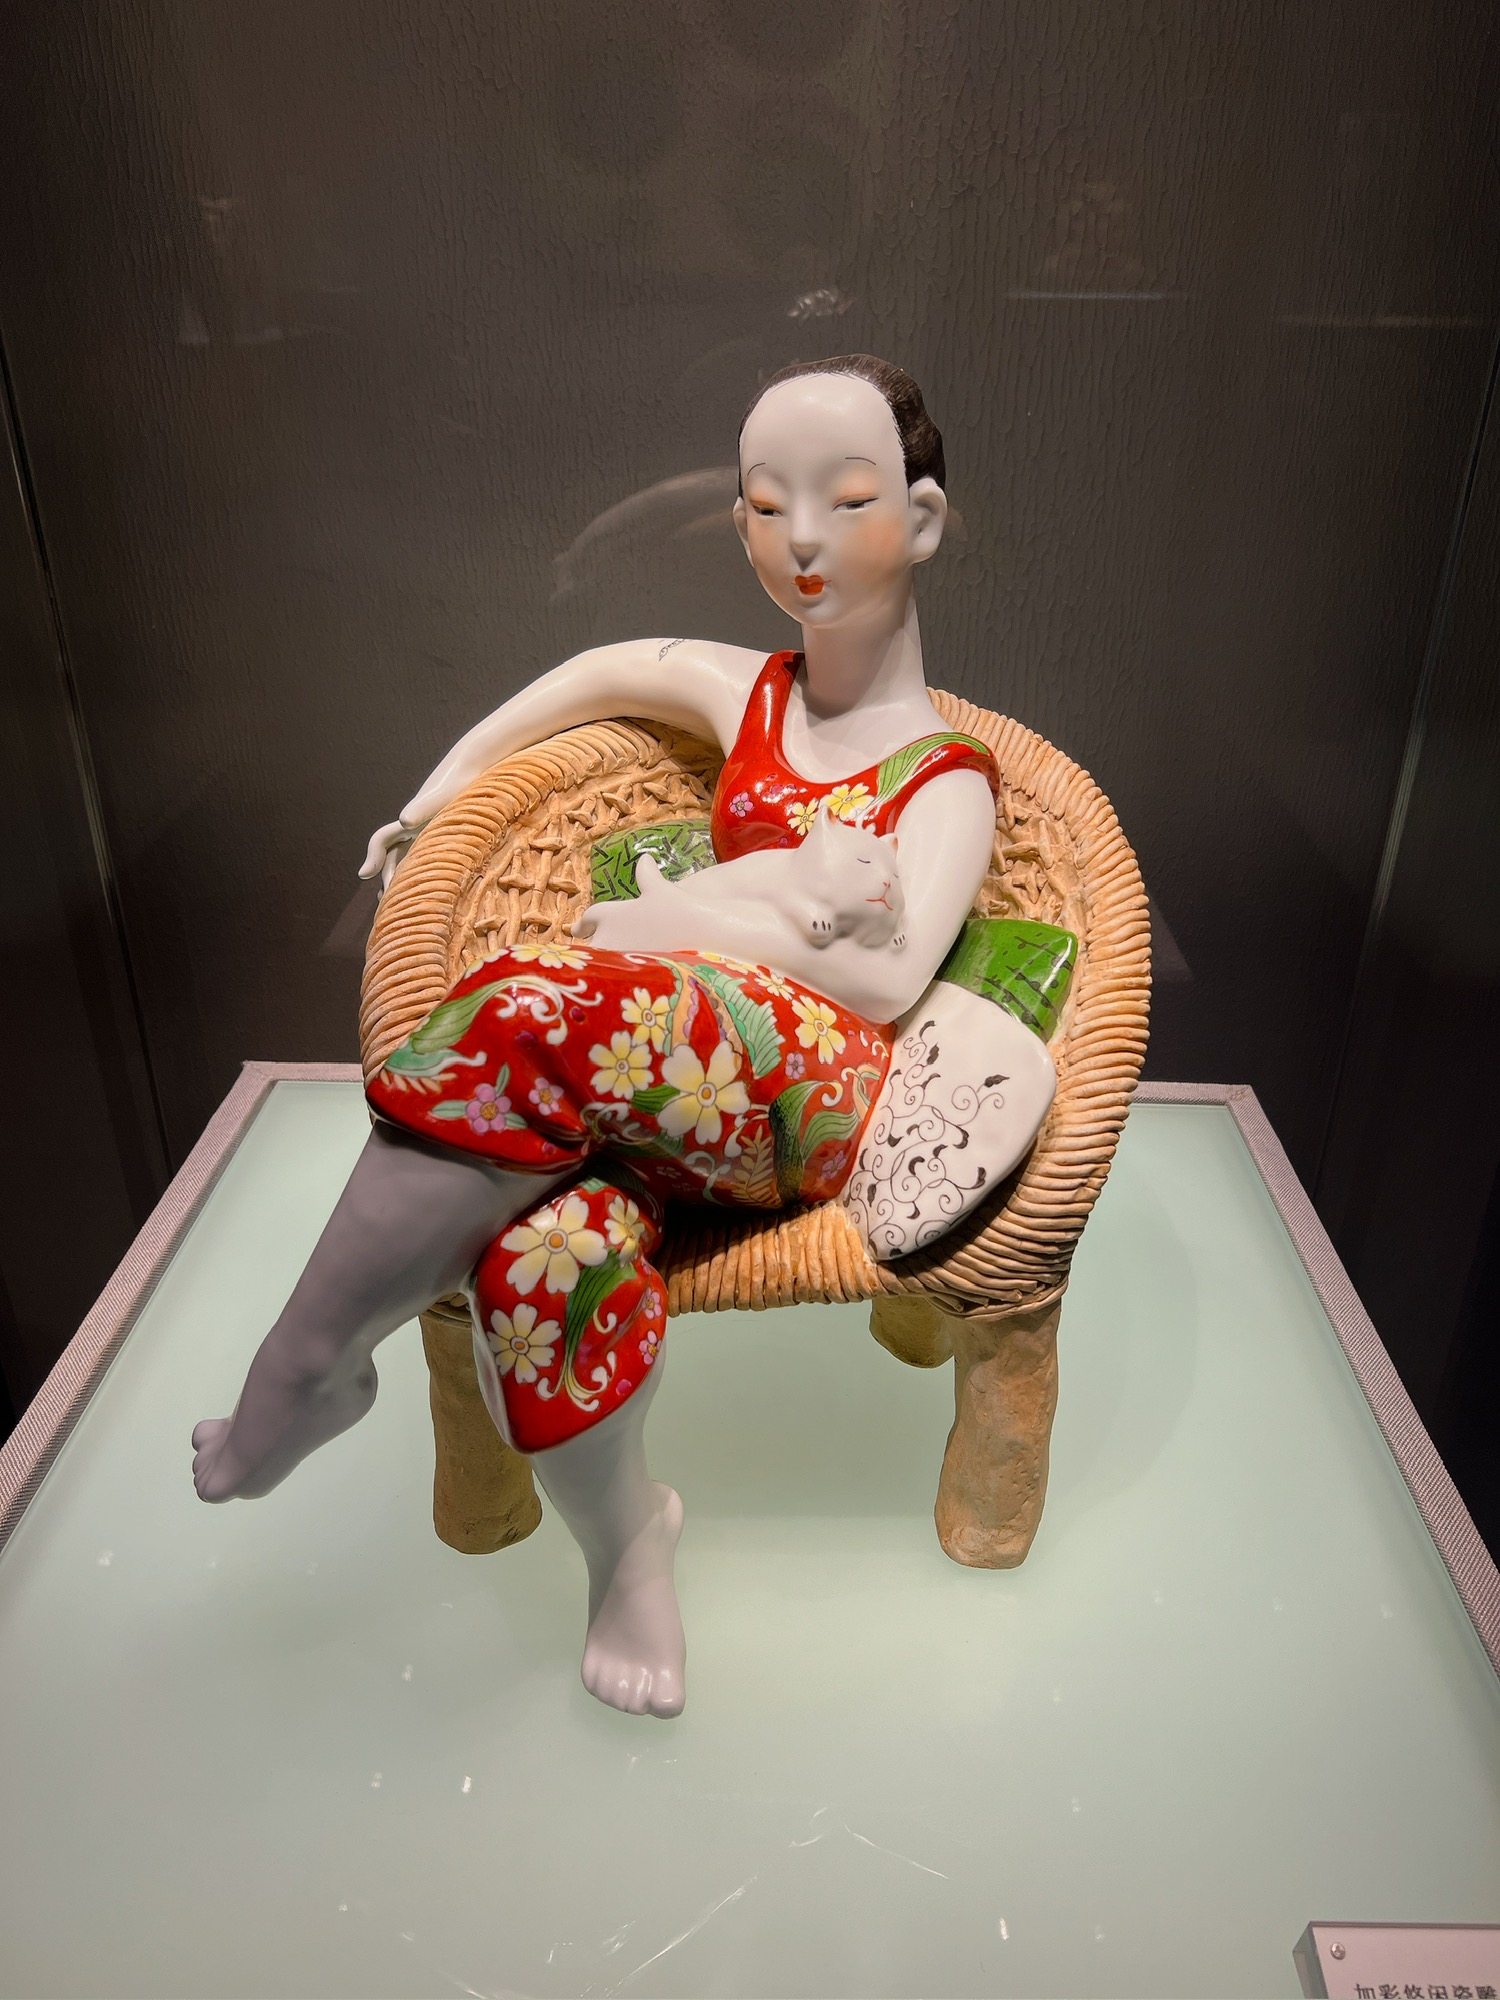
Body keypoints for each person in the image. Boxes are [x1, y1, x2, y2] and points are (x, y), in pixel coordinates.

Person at [191, 356, 1000, 1719]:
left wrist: (666, 923)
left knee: (531, 1001)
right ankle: (629, 1548)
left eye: (848, 501)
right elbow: (588, 673)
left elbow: (886, 976)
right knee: (539, 1257)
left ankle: (304, 1368)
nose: (802, 539)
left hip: (817, 1100)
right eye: (766, 507)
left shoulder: (942, 775)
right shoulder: (747, 694)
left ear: (919, 522)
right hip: (656, 1087)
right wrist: (431, 797)